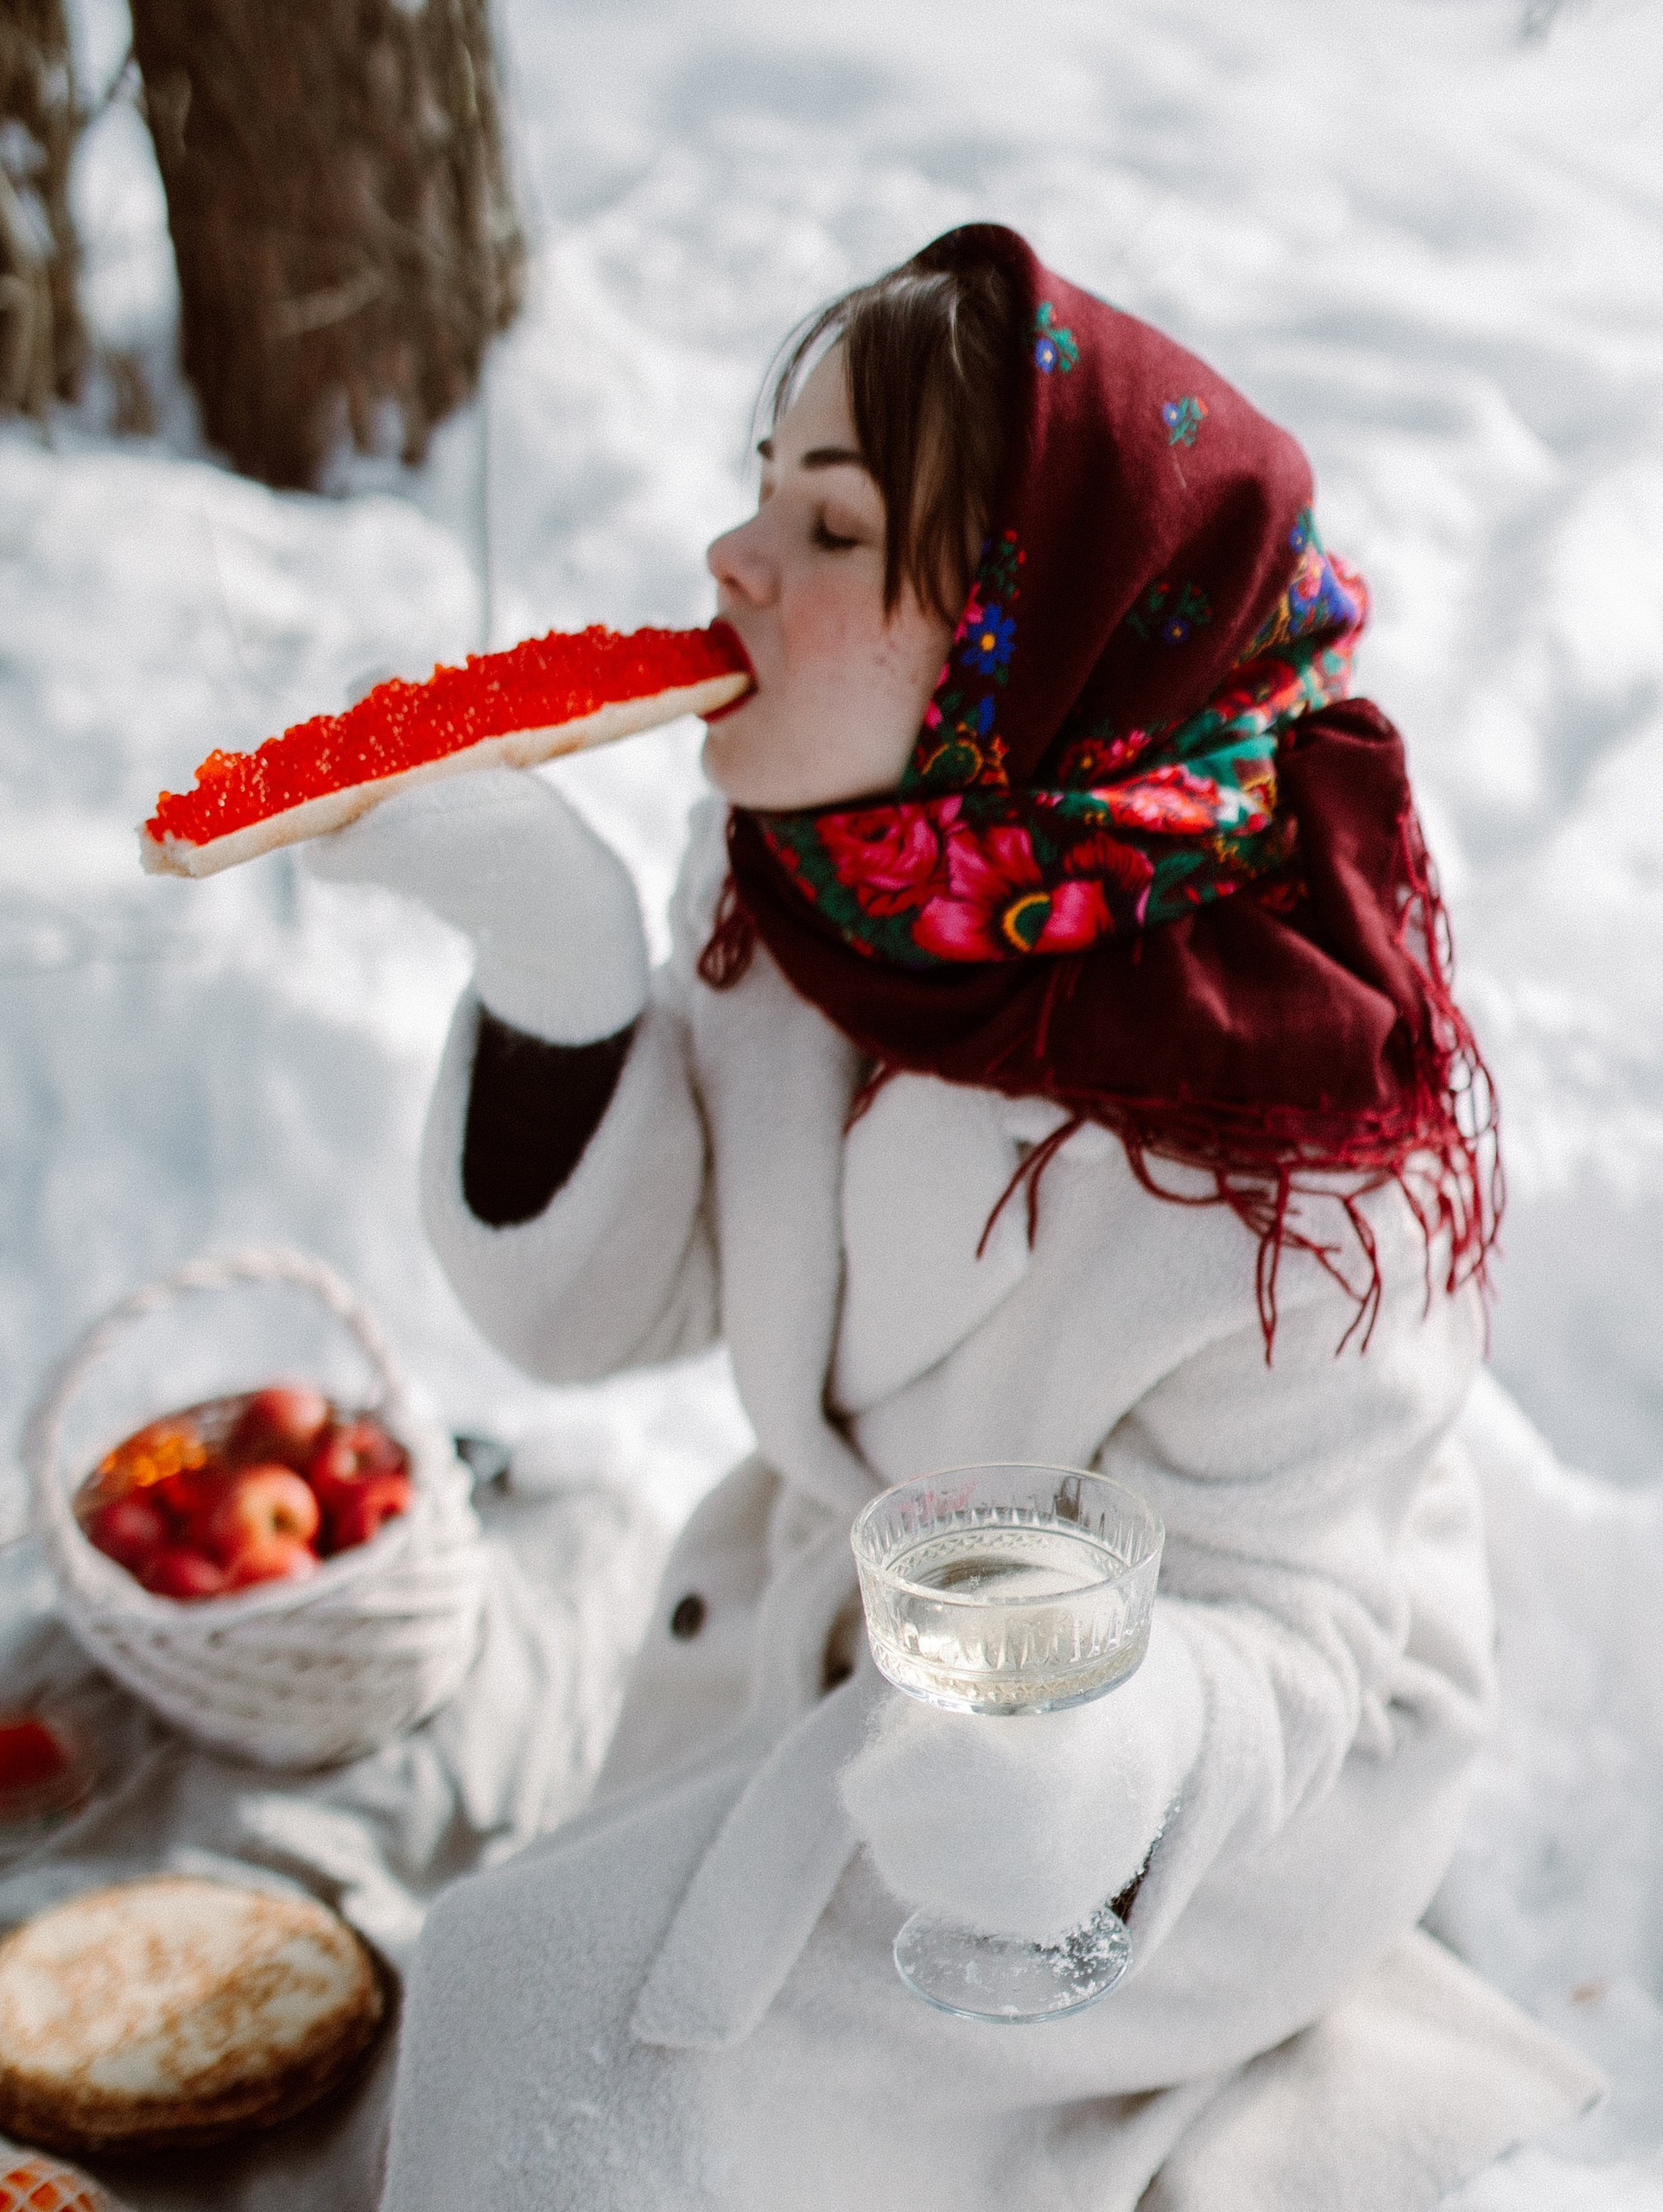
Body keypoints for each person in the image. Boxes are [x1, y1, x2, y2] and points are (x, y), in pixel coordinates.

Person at [310, 226, 1596, 2210]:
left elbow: (1296, 1628)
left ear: (1039, 621)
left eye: (831, 528)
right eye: (761, 492)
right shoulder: (829, 865)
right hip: (876, 1631)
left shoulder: (1282, 1106)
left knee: (544, 2010)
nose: (732, 563)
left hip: (1211, 1772)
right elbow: (629, 1300)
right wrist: (556, 966)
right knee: (508, 2005)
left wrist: (1090, 1754)